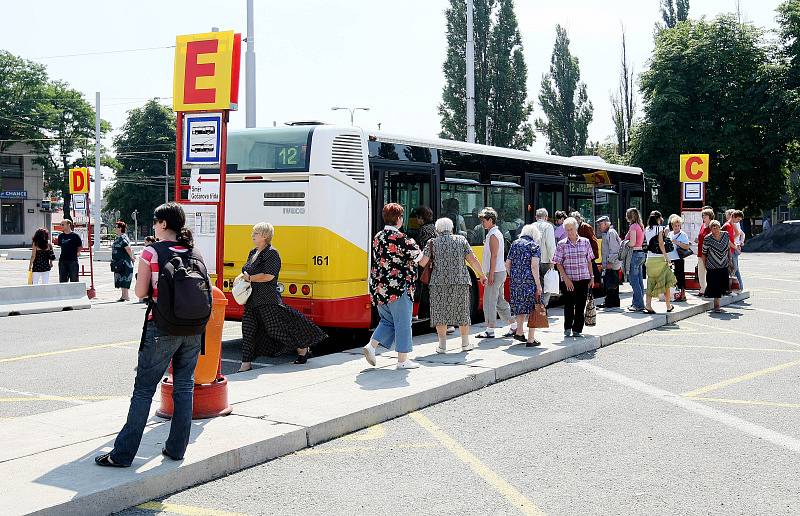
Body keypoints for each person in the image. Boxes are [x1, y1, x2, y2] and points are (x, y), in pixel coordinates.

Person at [96, 202, 207, 468]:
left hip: (162, 326)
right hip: (193, 328)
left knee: (144, 390)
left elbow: (140, 292)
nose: (154, 226)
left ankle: (122, 455)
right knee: (184, 387)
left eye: (156, 221)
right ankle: (176, 449)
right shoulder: (194, 251)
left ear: (164, 224)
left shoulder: (151, 251)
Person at [239, 223, 327, 371]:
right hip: (251, 300)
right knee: (248, 331)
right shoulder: (252, 252)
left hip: (267, 299)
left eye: (256, 233)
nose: (252, 235)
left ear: (265, 236)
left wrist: (250, 278)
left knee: (275, 330)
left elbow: (269, 276)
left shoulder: (272, 254)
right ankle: (245, 365)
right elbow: (246, 271)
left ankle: (301, 346)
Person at [363, 203, 422, 370]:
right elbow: (418, 256)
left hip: (380, 286)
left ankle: (371, 346)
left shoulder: (378, 236)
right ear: (398, 219)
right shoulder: (403, 238)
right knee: (403, 323)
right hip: (399, 287)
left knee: (387, 320)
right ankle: (403, 360)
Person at [418, 217, 485, 353]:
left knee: (440, 313)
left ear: (437, 230)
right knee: (462, 312)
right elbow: (472, 260)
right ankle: (465, 343)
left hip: (438, 283)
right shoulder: (461, 240)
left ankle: (442, 346)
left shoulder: (432, 243)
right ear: (452, 228)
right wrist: (482, 275)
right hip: (460, 282)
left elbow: (422, 263)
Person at [475, 207, 516, 339]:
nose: (482, 223)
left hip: (495, 272)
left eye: (484, 221)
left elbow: (494, 256)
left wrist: (490, 274)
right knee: (499, 301)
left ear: (491, 220)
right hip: (499, 271)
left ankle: (490, 329)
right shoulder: (495, 233)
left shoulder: (493, 235)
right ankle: (514, 325)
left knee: (489, 301)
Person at [553, 217, 595, 338]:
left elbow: (589, 261)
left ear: (576, 228)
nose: (569, 232)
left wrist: (591, 277)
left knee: (581, 304)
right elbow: (558, 263)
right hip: (569, 280)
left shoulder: (585, 242)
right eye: (567, 230)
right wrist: (565, 279)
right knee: (569, 304)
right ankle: (567, 327)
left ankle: (577, 329)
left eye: (571, 229)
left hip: (583, 278)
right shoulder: (561, 244)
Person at [506, 224, 544, 346]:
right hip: (529, 283)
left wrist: (514, 276)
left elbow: (507, 264)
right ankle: (531, 339)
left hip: (516, 283)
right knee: (533, 309)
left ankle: (519, 332)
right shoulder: (534, 246)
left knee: (520, 307)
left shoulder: (515, 244)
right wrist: (538, 285)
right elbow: (534, 266)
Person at [643, 211, 676, 314]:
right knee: (666, 283)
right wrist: (667, 258)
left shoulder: (646, 229)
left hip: (649, 260)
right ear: (658, 218)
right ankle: (668, 305)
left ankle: (648, 305)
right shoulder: (660, 228)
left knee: (651, 282)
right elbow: (661, 244)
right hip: (660, 259)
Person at [701, 220, 735, 312]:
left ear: (720, 227)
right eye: (713, 227)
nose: (715, 229)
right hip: (712, 266)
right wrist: (705, 265)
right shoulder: (707, 238)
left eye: (717, 227)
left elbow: (728, 248)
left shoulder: (725, 235)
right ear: (710, 229)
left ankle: (717, 303)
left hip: (724, 264)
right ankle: (717, 306)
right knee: (715, 286)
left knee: (721, 285)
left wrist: (730, 259)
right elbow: (704, 253)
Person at [413, 206, 437, 320]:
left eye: (417, 218)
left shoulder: (423, 230)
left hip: (425, 262)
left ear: (421, 218)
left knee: (423, 287)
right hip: (434, 262)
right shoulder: (434, 227)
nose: (416, 221)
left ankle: (423, 313)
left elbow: (420, 247)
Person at [596, 216, 621, 309]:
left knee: (610, 282)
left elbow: (614, 249)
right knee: (612, 282)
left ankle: (610, 302)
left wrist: (610, 262)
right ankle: (613, 302)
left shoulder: (610, 232)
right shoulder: (607, 233)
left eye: (600, 224)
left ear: (606, 223)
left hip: (612, 263)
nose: (599, 226)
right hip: (611, 263)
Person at [624, 208, 647, 312]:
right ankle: (637, 302)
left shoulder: (633, 226)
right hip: (641, 254)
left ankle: (638, 304)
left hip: (634, 254)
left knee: (634, 281)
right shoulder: (640, 226)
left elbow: (632, 243)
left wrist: (624, 243)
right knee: (639, 280)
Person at [533, 208, 556, 307]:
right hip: (545, 261)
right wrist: (553, 261)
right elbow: (550, 245)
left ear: (536, 217)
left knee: (536, 284)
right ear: (546, 217)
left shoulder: (531, 226)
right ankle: (542, 306)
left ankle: (536, 306)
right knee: (547, 285)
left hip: (533, 261)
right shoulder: (548, 226)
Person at [572, 211, 601, 285]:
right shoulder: (576, 228)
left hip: (587, 256)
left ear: (578, 219)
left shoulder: (585, 226)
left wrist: (592, 256)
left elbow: (593, 241)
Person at [667, 214, 690, 302]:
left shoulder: (683, 234)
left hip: (678, 258)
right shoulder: (670, 233)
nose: (676, 227)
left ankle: (683, 294)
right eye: (675, 225)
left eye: (678, 225)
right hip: (670, 258)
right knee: (672, 277)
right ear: (672, 226)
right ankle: (674, 294)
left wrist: (677, 242)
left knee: (680, 276)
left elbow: (687, 247)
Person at [111, 220, 135, 302]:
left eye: (116, 227)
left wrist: (132, 257)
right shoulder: (120, 237)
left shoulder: (122, 238)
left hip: (124, 262)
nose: (115, 228)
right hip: (119, 262)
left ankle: (126, 296)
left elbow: (127, 248)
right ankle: (123, 296)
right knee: (121, 278)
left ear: (120, 228)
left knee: (124, 278)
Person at [695, 208, 715, 296]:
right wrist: (697, 240)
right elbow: (701, 237)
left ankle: (710, 289)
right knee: (701, 271)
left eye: (705, 215)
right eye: (703, 215)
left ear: (710, 217)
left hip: (709, 253)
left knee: (710, 272)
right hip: (700, 252)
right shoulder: (703, 225)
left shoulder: (712, 226)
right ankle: (702, 289)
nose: (703, 217)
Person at [723, 209, 744, 292]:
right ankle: (730, 288)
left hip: (731, 250)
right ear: (733, 217)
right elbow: (727, 241)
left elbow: (736, 235)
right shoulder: (727, 226)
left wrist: (733, 223)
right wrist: (735, 247)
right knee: (732, 270)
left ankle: (731, 288)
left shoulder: (731, 225)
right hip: (728, 251)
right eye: (738, 219)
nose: (738, 221)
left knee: (733, 270)